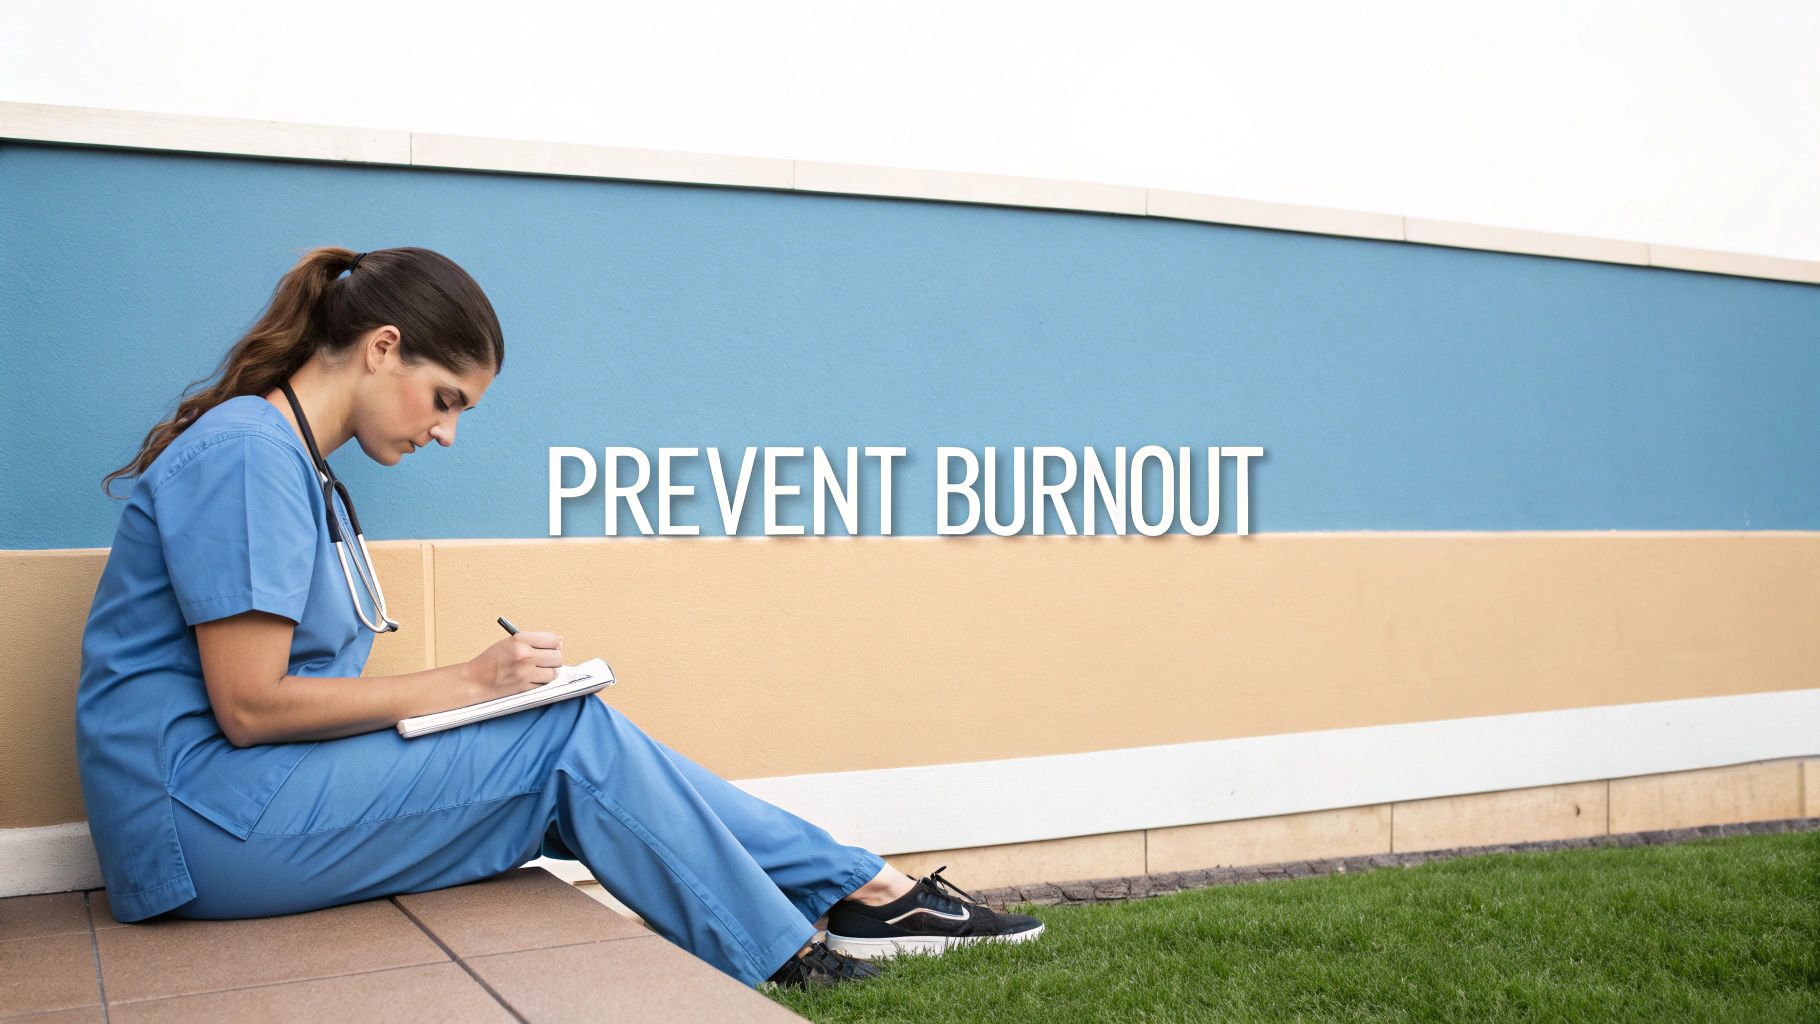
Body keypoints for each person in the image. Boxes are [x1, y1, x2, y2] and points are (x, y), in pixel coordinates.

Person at [74, 245, 1042, 990]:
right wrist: (468, 683)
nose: (445, 430)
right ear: (381, 349)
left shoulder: (290, 461)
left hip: (247, 804)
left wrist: (474, 701)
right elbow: (248, 705)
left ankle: (858, 887)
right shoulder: (248, 454)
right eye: (444, 398)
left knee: (569, 727)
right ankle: (807, 939)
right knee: (561, 736)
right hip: (197, 830)